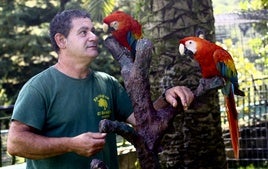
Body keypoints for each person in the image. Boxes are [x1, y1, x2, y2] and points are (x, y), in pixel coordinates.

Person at [7, 9, 194, 169]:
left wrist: (168, 96)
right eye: (83, 32)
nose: (94, 37)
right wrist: (71, 145)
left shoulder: (107, 83)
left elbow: (142, 120)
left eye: (93, 31)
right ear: (61, 41)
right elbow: (15, 144)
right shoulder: (39, 87)